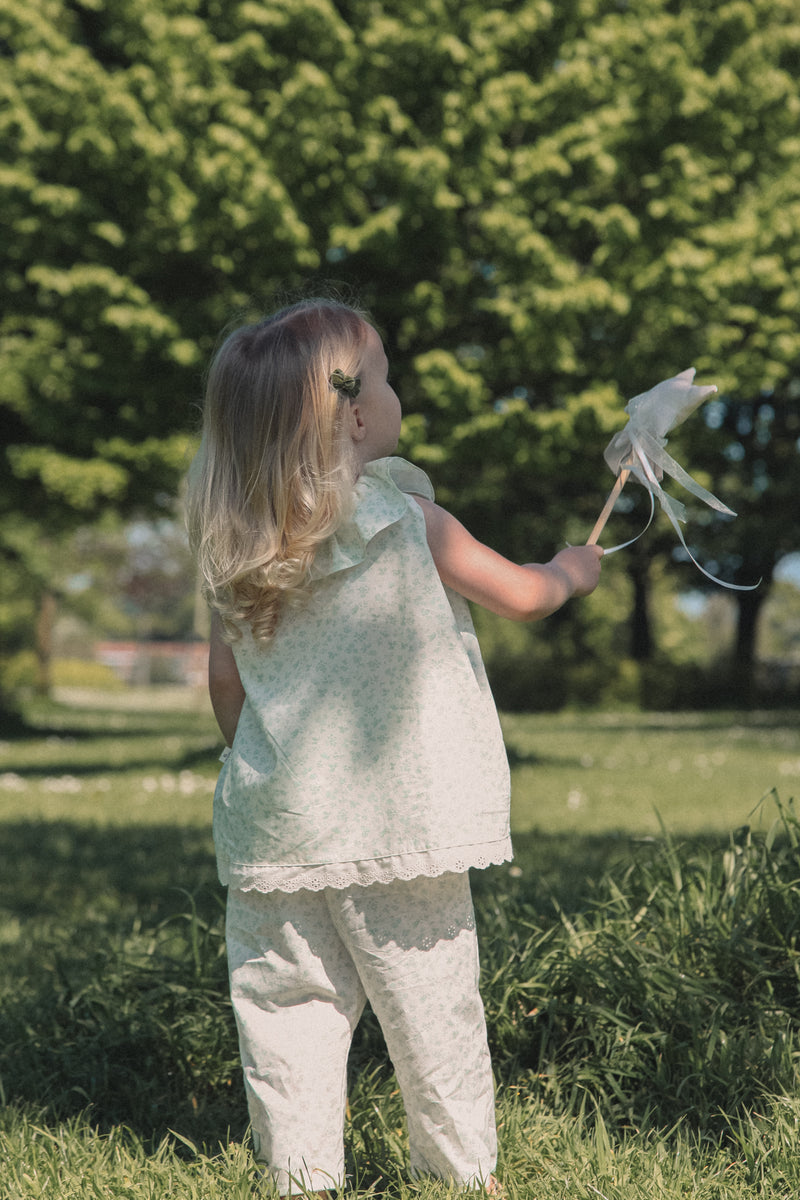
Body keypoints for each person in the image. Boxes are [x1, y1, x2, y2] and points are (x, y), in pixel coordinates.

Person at [186, 297, 603, 1197]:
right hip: (400, 819)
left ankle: (300, 1180)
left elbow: (226, 686)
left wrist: (255, 765)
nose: (394, 390)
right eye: (384, 374)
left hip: (278, 829)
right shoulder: (407, 518)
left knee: (287, 1011)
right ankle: (459, 1178)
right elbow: (523, 596)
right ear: (360, 416)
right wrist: (574, 568)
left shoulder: (239, 546)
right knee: (432, 1012)